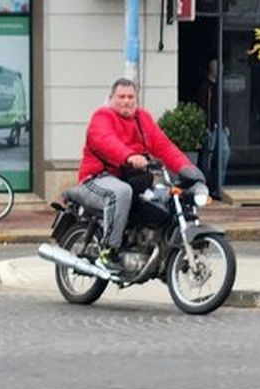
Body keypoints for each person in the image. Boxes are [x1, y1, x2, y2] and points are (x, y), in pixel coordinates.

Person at [74, 77, 198, 274]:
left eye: (130, 96)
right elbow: (106, 141)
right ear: (112, 98)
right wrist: (129, 156)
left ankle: (158, 251)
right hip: (97, 178)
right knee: (120, 192)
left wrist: (188, 169)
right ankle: (109, 252)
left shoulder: (143, 118)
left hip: (130, 178)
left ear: (136, 99)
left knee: (167, 197)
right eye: (121, 96)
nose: (126, 101)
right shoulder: (102, 117)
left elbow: (163, 145)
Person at [195, 58, 229, 198]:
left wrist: (226, 124)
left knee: (224, 153)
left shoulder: (220, 86)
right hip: (209, 126)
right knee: (207, 158)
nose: (221, 70)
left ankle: (220, 186)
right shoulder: (205, 87)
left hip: (220, 126)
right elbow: (203, 108)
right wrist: (204, 126)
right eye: (218, 68)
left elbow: (223, 107)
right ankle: (206, 187)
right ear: (212, 69)